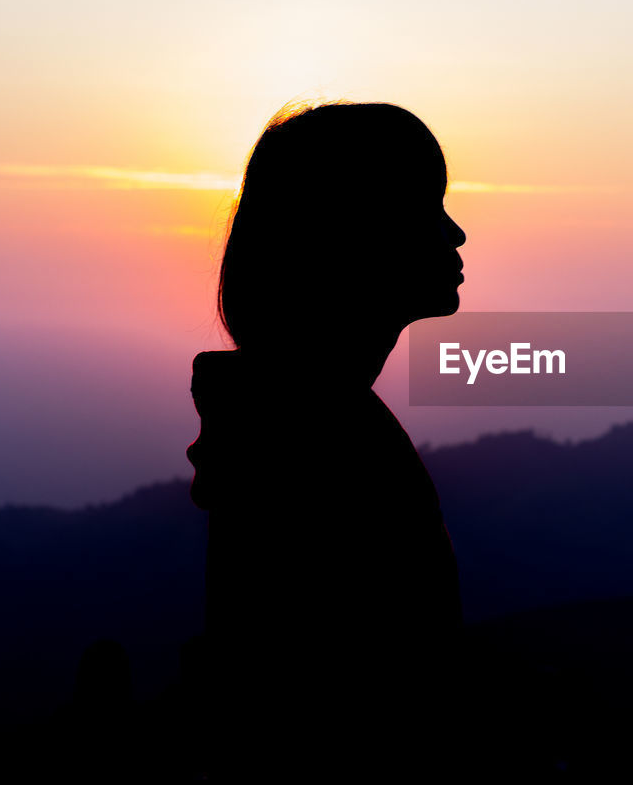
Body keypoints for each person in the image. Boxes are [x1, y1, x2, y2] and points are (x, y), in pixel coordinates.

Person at [185, 101, 466, 780]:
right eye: (428, 205)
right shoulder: (326, 450)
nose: (455, 232)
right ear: (359, 235)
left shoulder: (290, 426)